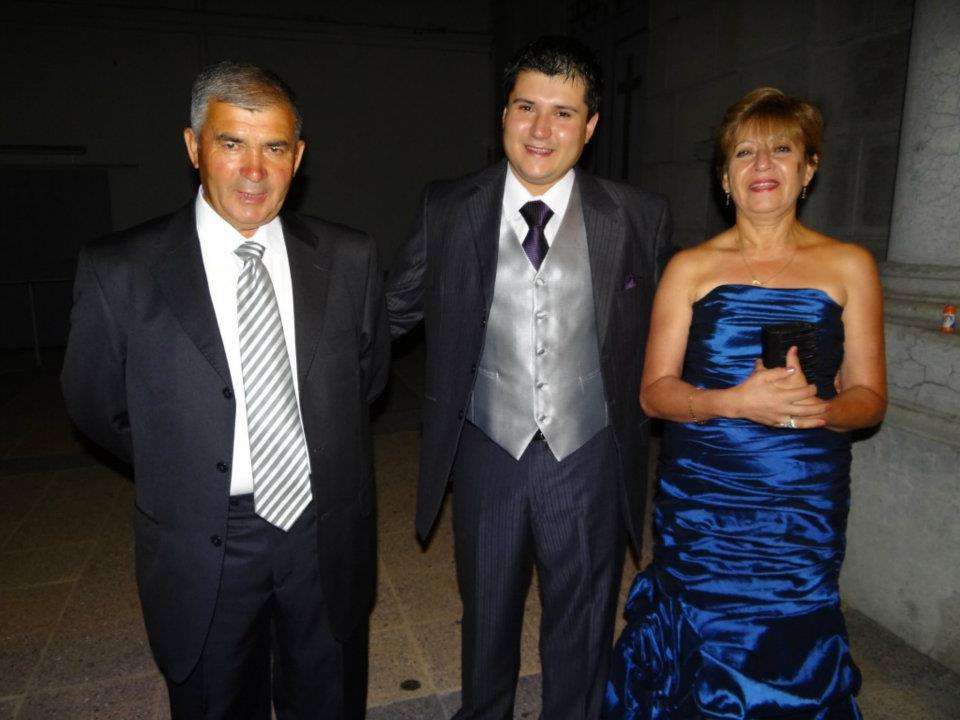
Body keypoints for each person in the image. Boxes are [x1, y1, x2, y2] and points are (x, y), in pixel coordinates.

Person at [61, 61, 389, 719]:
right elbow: (96, 404)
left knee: (328, 698)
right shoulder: (121, 269)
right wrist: (184, 463)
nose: (254, 170)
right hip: (203, 536)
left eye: (275, 147)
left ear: (298, 157)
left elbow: (367, 377)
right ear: (193, 147)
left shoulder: (349, 258)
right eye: (231, 143)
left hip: (323, 528)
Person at [387, 36, 674, 720]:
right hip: (487, 448)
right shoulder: (448, 206)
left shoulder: (637, 215)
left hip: (588, 450)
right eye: (526, 107)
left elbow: (674, 326)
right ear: (504, 114)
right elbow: (391, 310)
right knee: (486, 613)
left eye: (563, 112)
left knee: (583, 621)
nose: (541, 129)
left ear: (590, 125)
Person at [605, 87, 887, 719]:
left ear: (808, 169)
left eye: (781, 149)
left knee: (794, 634)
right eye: (743, 153)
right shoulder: (690, 267)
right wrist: (735, 402)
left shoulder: (849, 265)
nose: (762, 165)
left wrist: (818, 411)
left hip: (800, 503)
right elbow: (654, 393)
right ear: (724, 177)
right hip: (706, 498)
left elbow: (869, 399)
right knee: (702, 629)